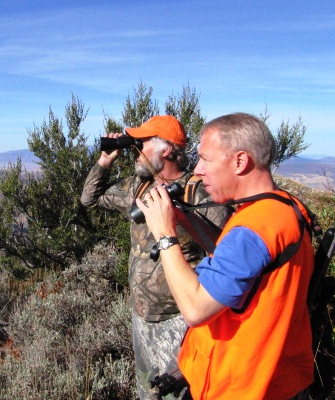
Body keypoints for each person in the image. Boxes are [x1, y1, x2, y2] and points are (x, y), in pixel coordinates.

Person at [136, 112, 314, 399]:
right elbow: (239, 265)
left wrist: (165, 233)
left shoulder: (252, 229)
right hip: (279, 377)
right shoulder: (283, 207)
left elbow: (195, 309)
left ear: (240, 161)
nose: (197, 170)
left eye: (205, 159)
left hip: (243, 386)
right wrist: (186, 220)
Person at [80, 115, 231, 400]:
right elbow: (89, 199)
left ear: (165, 149)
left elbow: (225, 252)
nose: (136, 150)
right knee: (147, 393)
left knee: (180, 394)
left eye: (142, 143)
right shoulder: (135, 189)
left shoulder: (198, 194)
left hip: (180, 321)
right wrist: (104, 161)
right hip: (142, 317)